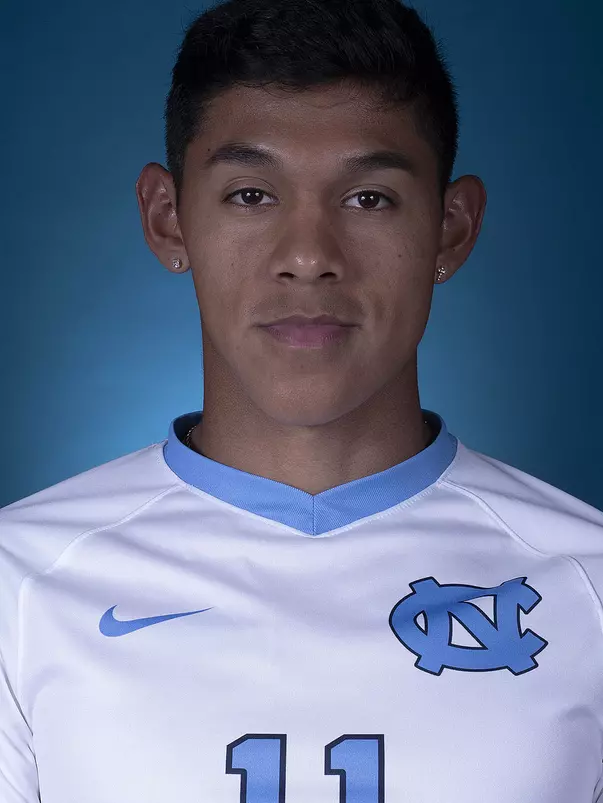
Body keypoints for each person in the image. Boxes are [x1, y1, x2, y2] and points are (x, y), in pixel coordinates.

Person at [1, 0, 602, 800]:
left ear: (450, 230)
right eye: (251, 194)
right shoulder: (21, 585)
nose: (309, 256)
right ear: (168, 219)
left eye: (368, 199)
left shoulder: (587, 587)